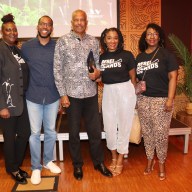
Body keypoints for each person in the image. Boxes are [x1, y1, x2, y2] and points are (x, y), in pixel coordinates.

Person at [54, 9, 112, 180]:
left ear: (86, 22)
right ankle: (77, 165)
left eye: (82, 20)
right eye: (76, 20)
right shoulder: (63, 41)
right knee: (73, 132)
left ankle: (98, 162)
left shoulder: (93, 41)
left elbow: (98, 64)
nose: (79, 23)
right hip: (71, 95)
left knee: (95, 131)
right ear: (72, 22)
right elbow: (57, 70)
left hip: (90, 93)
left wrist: (98, 74)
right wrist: (62, 94)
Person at [21, 15, 61, 185]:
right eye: (42, 24)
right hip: (33, 96)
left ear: (52, 28)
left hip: (53, 95)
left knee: (51, 131)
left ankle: (47, 161)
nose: (45, 27)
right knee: (35, 133)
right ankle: (36, 167)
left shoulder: (58, 46)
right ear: (37, 27)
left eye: (49, 25)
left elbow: (62, 70)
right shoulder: (26, 47)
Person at [136, 23, 178, 181]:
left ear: (159, 37)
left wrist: (170, 99)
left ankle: (161, 163)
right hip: (143, 100)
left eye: (155, 34)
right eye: (148, 34)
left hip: (161, 100)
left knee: (160, 135)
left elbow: (173, 77)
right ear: (145, 37)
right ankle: (149, 161)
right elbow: (137, 80)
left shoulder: (167, 55)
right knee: (147, 133)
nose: (151, 37)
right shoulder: (139, 57)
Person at [99, 28, 137, 176]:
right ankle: (113, 157)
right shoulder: (101, 57)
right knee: (109, 126)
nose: (112, 41)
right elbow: (101, 78)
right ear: (104, 40)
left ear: (119, 40)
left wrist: (134, 95)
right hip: (108, 91)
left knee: (124, 125)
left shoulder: (127, 55)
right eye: (109, 38)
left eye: (115, 38)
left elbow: (133, 78)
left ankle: (120, 159)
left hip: (125, 91)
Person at [0, 14, 30, 184]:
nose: (12, 32)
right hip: (7, 103)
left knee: (25, 133)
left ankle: (16, 165)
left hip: (22, 101)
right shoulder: (1, 50)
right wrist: (1, 105)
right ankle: (12, 168)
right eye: (8, 30)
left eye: (14, 29)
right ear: (2, 32)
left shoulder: (17, 50)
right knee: (10, 137)